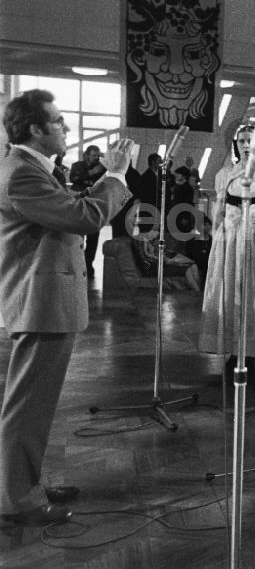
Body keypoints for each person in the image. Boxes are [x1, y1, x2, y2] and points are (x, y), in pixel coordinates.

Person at [0, 90, 132, 527]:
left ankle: (25, 483)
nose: (66, 128)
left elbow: (72, 208)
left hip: (45, 301)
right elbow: (85, 218)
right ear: (35, 129)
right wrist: (115, 175)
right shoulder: (21, 173)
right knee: (27, 405)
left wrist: (106, 180)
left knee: (35, 404)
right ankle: (15, 499)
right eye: (58, 121)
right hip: (39, 302)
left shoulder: (31, 167)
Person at [199, 124, 255, 376]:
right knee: (230, 293)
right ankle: (233, 350)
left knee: (254, 292)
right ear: (236, 145)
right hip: (230, 240)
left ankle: (251, 353)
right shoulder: (225, 174)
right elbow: (218, 212)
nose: (247, 145)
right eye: (242, 141)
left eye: (252, 140)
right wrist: (215, 243)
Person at [69, 145, 107, 279]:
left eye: (98, 155)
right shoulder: (77, 166)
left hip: (93, 204)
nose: (97, 158)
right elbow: (73, 179)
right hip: (79, 203)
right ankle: (76, 263)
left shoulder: (102, 168)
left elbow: (103, 184)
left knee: (93, 236)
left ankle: (88, 262)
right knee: (77, 235)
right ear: (87, 155)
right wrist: (91, 174)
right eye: (94, 155)